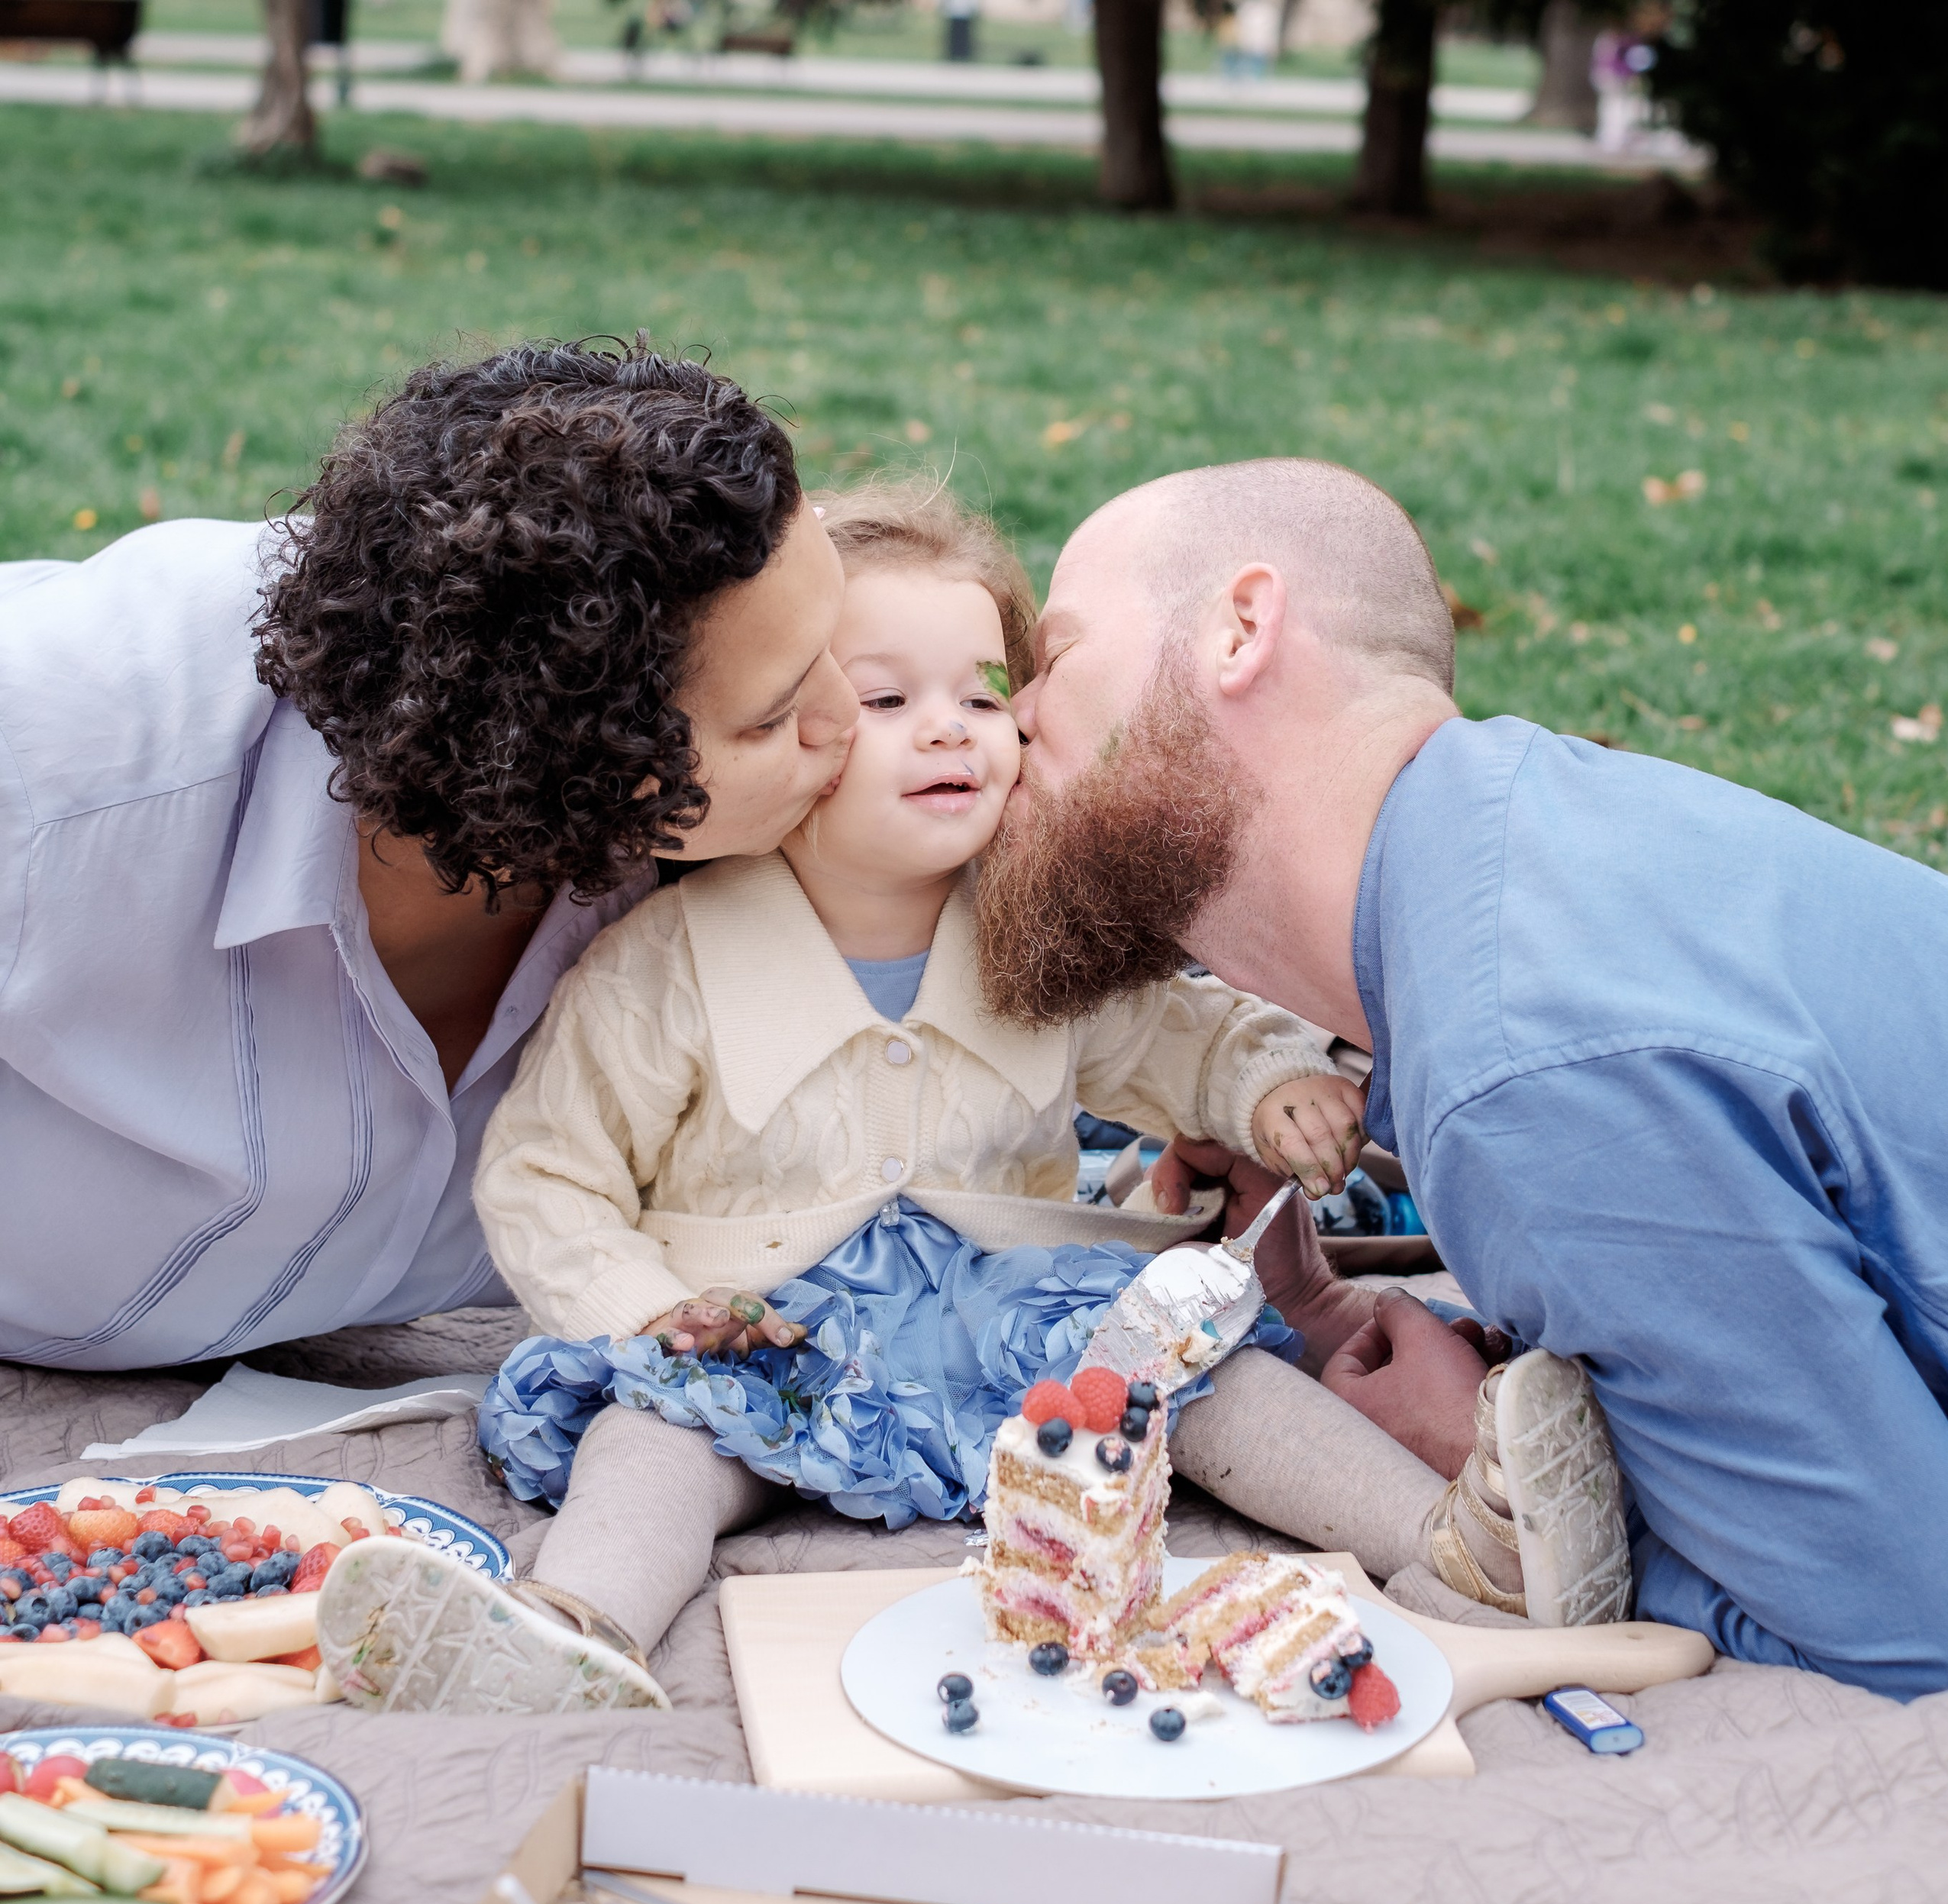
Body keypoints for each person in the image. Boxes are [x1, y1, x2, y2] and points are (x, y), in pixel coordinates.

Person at [327, 482, 1388, 1710]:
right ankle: (574, 1626)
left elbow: (1174, 1033)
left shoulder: (1032, 937)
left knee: (1202, 1377)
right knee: (656, 1441)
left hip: (1014, 1324)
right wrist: (658, 1311)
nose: (952, 731)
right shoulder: (668, 967)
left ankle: (1460, 1540)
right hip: (762, 1339)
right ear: (788, 733)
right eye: (887, 701)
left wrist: (1269, 1085)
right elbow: (547, 1172)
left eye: (984, 695)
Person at [975, 454, 1948, 1700]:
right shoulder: (1528, 846)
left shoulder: (1520, 1067)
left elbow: (1918, 1640)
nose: (1013, 719)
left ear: (1240, 627)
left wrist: (1511, 1486)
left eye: (1053, 659)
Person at [0, 342, 858, 1372]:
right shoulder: (62, 770)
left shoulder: (775, 845)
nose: (848, 720)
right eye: (774, 718)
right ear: (567, 769)